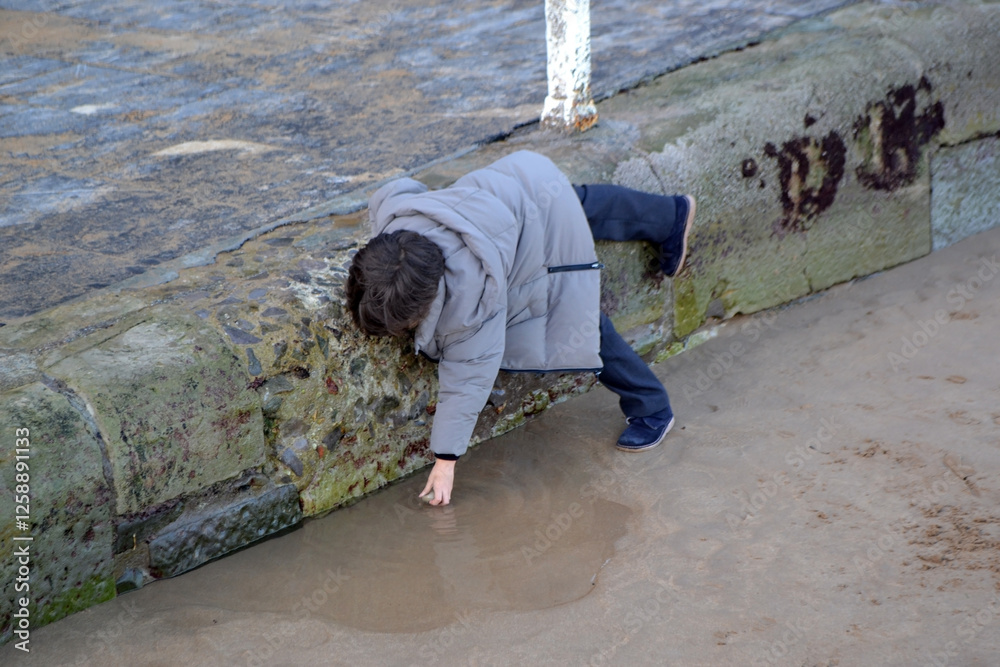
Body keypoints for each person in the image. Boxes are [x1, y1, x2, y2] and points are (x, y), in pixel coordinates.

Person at [345, 151, 695, 505]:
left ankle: (652, 408)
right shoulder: (396, 225)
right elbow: (397, 189)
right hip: (522, 182)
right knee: (568, 204)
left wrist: (445, 460)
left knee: (579, 326)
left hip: (532, 230)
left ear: (427, 302)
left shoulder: (469, 302)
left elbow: (468, 377)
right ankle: (669, 216)